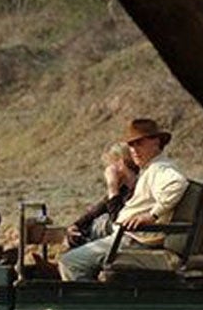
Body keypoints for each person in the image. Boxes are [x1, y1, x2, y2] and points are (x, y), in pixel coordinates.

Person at [59, 118, 188, 281]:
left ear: (156, 142)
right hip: (131, 236)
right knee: (91, 236)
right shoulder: (150, 169)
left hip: (136, 240)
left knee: (71, 262)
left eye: (139, 143)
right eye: (131, 145)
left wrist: (152, 215)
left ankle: (88, 305)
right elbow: (102, 206)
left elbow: (177, 183)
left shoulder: (160, 169)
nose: (134, 149)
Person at [66, 142, 138, 246]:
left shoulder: (138, 187)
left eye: (111, 164)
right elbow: (98, 209)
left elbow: (117, 220)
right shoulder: (124, 189)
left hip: (128, 238)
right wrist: (76, 225)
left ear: (120, 163)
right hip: (119, 238)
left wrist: (112, 186)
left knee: (100, 225)